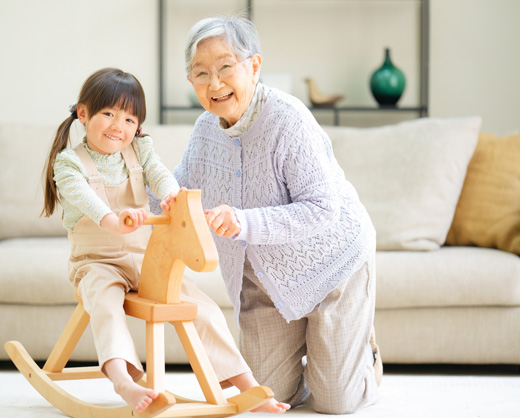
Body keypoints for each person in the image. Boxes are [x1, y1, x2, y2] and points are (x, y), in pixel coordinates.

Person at [42, 68, 289, 414]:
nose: (118, 126)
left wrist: (173, 196)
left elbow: (159, 174)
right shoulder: (69, 163)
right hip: (95, 262)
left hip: (144, 259)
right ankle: (123, 381)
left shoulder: (139, 150)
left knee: (202, 306)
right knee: (105, 303)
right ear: (83, 114)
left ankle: (248, 386)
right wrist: (114, 220)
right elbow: (84, 197)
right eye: (109, 114)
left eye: (129, 119)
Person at [173, 16, 383, 414]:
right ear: (191, 82)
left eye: (224, 67)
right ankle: (316, 361)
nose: (214, 83)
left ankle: (364, 358)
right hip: (264, 285)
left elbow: (322, 207)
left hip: (332, 264)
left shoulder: (288, 118)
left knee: (335, 402)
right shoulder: (205, 130)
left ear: (253, 66)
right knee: (265, 397)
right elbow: (177, 194)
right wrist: (123, 178)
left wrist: (245, 222)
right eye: (201, 73)